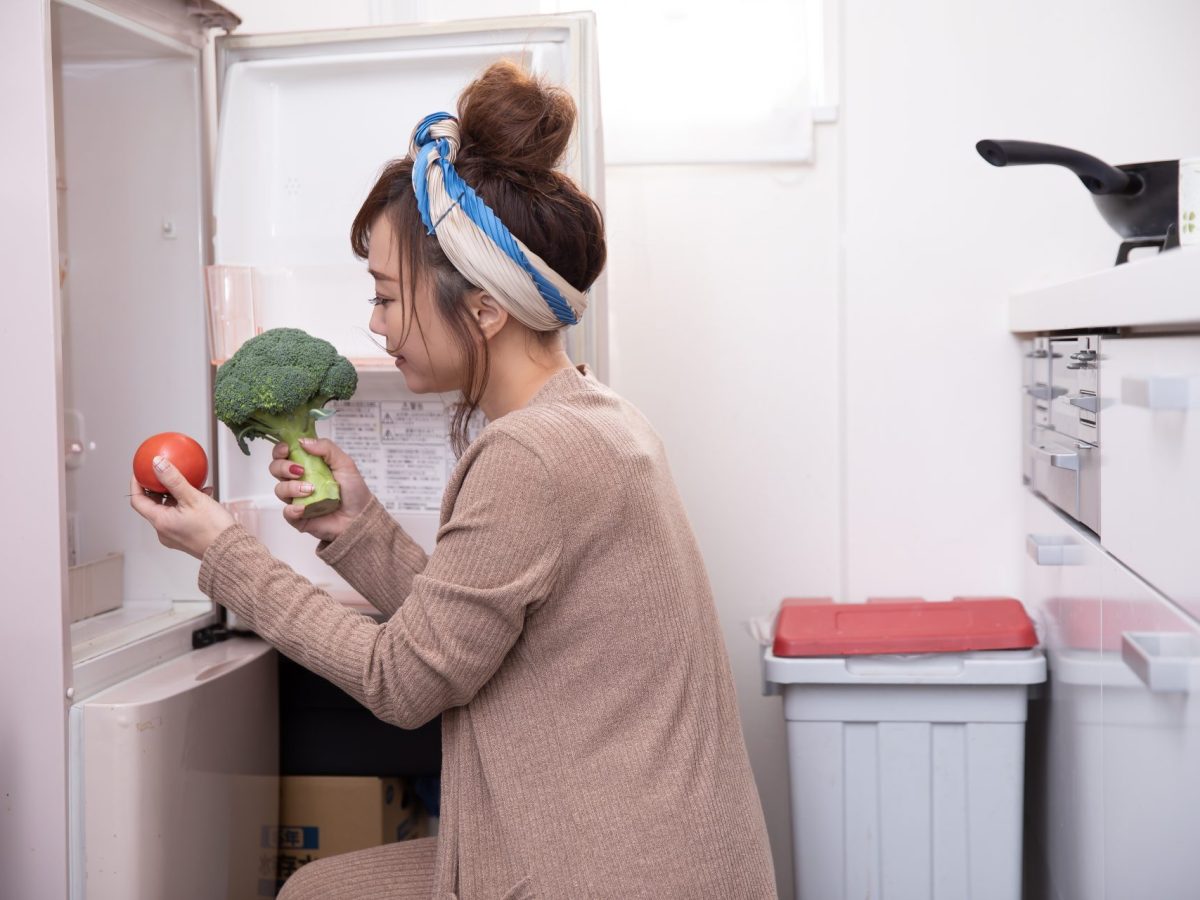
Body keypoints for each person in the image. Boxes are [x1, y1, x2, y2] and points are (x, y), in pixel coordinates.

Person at [132, 61, 777, 900]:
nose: (376, 324)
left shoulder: (531, 457)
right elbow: (469, 636)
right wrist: (355, 527)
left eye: (389, 297)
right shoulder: (593, 416)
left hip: (610, 870)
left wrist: (227, 555)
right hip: (640, 855)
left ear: (483, 311)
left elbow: (404, 681)